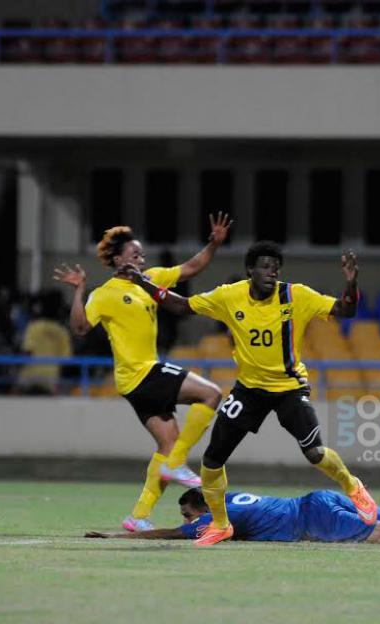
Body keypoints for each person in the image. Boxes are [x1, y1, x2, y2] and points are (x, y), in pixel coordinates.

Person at [119, 241, 376, 546]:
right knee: (212, 461)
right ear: (250, 270)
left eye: (275, 268)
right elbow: (180, 305)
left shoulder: (297, 295)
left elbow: (346, 309)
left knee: (315, 453)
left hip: (288, 388)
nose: (272, 273)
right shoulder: (230, 296)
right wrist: (142, 281)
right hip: (249, 390)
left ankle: (353, 487)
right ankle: (221, 524)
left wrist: (351, 281)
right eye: (265, 267)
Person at [53, 213, 233, 532]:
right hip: (142, 373)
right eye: (134, 253)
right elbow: (80, 327)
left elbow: (191, 268)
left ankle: (139, 516)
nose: (140, 257)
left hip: (137, 380)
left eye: (141, 254)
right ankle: (177, 463)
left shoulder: (149, 279)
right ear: (118, 258)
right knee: (211, 393)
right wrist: (80, 290)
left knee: (167, 445)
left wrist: (213, 244)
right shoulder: (105, 294)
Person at [84, 468, 380, 547]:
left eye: (189, 514)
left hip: (315, 518)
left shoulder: (220, 516)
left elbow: (173, 535)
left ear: (199, 509)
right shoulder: (227, 497)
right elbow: (205, 483)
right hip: (319, 502)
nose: (189, 523)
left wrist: (122, 535)